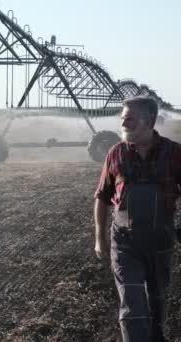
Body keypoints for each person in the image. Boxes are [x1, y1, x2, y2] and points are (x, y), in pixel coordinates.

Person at [94, 95, 181, 342]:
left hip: (160, 241)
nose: (124, 124)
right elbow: (102, 197)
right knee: (132, 305)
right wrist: (99, 239)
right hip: (124, 242)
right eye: (123, 119)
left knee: (157, 299)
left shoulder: (174, 153)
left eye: (130, 120)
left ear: (149, 121)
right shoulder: (115, 154)